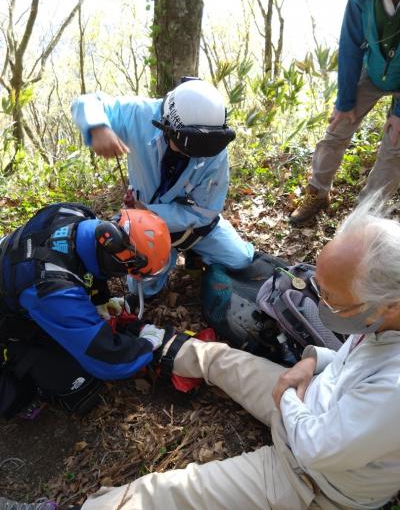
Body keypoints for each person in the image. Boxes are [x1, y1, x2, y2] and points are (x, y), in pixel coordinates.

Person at [79, 197, 400, 510]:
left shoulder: (394, 390)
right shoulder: (380, 320)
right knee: (219, 359)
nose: (323, 302)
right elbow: (349, 362)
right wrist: (314, 360)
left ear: (389, 305)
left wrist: (286, 392)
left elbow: (315, 448)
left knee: (161, 493)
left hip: (310, 478)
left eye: (332, 300)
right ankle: (153, 343)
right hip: (307, 400)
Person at [71, 79, 254, 297]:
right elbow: (86, 102)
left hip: (195, 226)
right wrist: (98, 126)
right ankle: (167, 257)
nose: (195, 154)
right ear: (167, 125)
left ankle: (195, 253)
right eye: (190, 146)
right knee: (143, 288)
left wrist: (150, 212)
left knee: (241, 261)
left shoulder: (214, 147)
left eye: (203, 148)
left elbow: (205, 211)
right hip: (143, 226)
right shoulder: (139, 115)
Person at [0, 202, 170, 418]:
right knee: (78, 383)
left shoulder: (73, 212)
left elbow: (88, 256)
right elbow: (107, 360)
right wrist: (147, 345)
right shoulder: (53, 289)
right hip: (14, 302)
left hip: (13, 270)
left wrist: (101, 298)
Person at [290, 0, 400, 225]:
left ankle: (365, 217)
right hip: (372, 71)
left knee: (395, 148)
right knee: (338, 125)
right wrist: (345, 100)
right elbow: (351, 42)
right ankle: (318, 193)